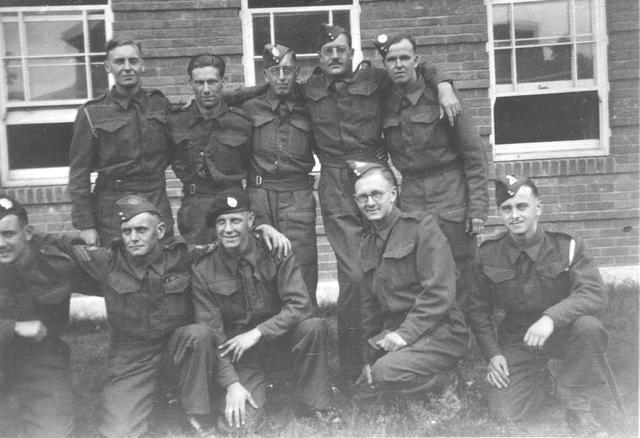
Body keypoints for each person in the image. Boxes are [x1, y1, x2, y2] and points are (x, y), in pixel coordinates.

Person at [303, 24, 461, 382]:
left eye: (341, 50)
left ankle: (408, 350)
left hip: (373, 176)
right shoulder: (307, 89)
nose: (334, 56)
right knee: (356, 275)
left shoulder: (377, 79)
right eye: (327, 51)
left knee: (392, 266)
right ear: (318, 57)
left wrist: (445, 85)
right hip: (335, 183)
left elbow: (416, 69)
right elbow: (262, 92)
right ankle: (351, 369)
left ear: (352, 53)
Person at [189, 188, 340, 435]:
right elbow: (213, 333)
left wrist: (258, 332)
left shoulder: (274, 248)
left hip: (280, 342)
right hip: (241, 357)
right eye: (221, 222)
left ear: (250, 221)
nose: (228, 229)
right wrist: (232, 385)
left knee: (313, 326)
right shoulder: (204, 268)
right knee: (241, 429)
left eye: (235, 220)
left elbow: (300, 305)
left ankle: (315, 403)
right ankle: (256, 392)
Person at [467, 175, 610, 437]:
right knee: (505, 412)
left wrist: (551, 318)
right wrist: (493, 354)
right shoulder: (488, 253)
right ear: (500, 213)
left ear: (538, 208)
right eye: (506, 209)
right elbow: (477, 310)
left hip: (566, 332)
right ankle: (545, 380)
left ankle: (579, 408)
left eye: (522, 206)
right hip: (518, 337)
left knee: (589, 327)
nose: (514, 215)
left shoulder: (566, 246)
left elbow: (593, 292)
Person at [373, 33, 489, 309]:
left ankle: (473, 338)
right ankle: (435, 338)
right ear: (384, 64)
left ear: (416, 60)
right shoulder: (384, 98)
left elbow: (473, 154)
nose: (399, 64)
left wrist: (478, 209)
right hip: (412, 193)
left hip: (449, 190)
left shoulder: (440, 95)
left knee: (462, 268)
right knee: (420, 266)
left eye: (405, 58)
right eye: (391, 59)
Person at [348, 162, 468, 402]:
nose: (369, 203)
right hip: (396, 331)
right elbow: (370, 308)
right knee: (363, 386)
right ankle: (405, 384)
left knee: (384, 373)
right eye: (362, 197)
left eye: (376, 194)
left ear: (393, 194)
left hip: (440, 330)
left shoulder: (422, 227)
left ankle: (446, 381)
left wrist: (405, 334)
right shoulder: (367, 244)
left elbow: (439, 291)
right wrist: (368, 356)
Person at [0, 195, 92, 438]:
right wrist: (14, 328)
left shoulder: (54, 263)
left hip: (41, 362)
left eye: (8, 234)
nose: (0, 243)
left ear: (27, 233)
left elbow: (110, 274)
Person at [68, 36, 174, 247]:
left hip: (155, 199)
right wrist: (86, 225)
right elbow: (79, 174)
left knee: (163, 263)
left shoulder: (160, 104)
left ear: (142, 64)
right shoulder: (92, 112)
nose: (127, 68)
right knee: (117, 271)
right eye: (119, 62)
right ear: (108, 66)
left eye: (133, 61)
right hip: (111, 207)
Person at [241, 44, 318, 305]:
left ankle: (308, 330)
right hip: (259, 195)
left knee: (301, 263)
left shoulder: (310, 107)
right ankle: (269, 334)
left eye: (287, 70)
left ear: (297, 73)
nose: (282, 77)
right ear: (266, 76)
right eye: (276, 71)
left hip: (297, 196)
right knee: (261, 263)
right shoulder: (250, 108)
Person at [169, 54, 252, 244]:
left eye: (212, 82)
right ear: (191, 83)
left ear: (223, 81)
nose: (206, 89)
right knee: (198, 265)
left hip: (232, 205)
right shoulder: (177, 122)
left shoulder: (241, 123)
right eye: (199, 83)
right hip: (195, 206)